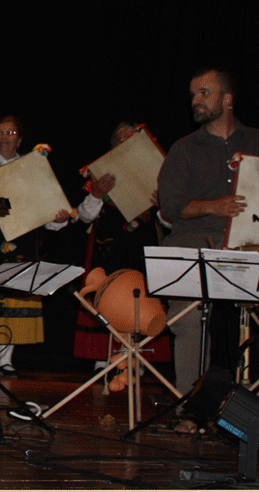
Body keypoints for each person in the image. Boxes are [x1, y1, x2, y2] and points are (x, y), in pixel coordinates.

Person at [157, 68, 259, 415]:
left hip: (251, 244)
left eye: (204, 93)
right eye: (193, 94)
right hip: (196, 240)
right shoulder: (183, 149)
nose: (196, 100)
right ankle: (192, 402)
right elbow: (170, 207)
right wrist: (212, 206)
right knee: (188, 316)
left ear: (228, 99)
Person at [0, 116, 70, 374]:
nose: (4, 138)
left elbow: (47, 207)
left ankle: (5, 359)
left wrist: (58, 218)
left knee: (16, 294)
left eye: (10, 133)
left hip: (22, 242)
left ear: (20, 139)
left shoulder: (32, 167)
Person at [72, 122, 171, 367]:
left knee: (142, 297)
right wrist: (96, 194)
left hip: (143, 248)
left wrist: (164, 205)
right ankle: (104, 357)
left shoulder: (158, 175)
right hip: (109, 249)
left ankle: (139, 360)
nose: (127, 141)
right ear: (113, 146)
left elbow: (170, 222)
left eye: (133, 138)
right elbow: (84, 217)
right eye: (122, 138)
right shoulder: (101, 174)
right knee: (108, 295)